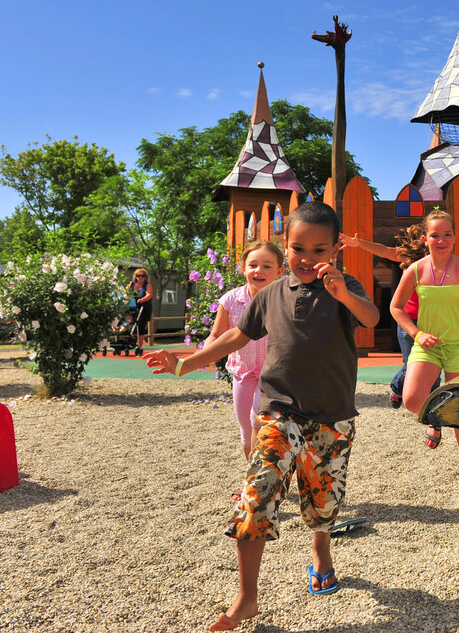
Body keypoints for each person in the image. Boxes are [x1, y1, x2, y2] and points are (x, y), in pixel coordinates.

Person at [144, 201, 380, 631]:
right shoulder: (270, 294)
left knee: (323, 504)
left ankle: (321, 547)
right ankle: (247, 597)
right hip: (278, 410)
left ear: (335, 251)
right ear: (285, 246)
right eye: (298, 248)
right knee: (256, 495)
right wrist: (184, 362)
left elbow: (371, 317)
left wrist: (343, 293)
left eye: (319, 249)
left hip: (332, 417)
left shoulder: (347, 287)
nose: (307, 259)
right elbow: (235, 335)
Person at [389, 208, 459, 479]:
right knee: (411, 400)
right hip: (428, 344)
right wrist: (417, 334)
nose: (441, 239)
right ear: (425, 239)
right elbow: (396, 307)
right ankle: (436, 418)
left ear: (455, 237)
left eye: (447, 234)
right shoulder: (415, 270)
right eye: (435, 235)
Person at [204, 241, 285, 462]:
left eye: (267, 266)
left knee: (257, 421)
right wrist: (203, 354)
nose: (259, 270)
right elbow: (217, 333)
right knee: (246, 432)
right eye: (253, 265)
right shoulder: (231, 300)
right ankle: (252, 481)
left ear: (280, 271)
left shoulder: (285, 298)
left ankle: (261, 484)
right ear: (244, 269)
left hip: (272, 375)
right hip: (242, 372)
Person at [340, 225, 434, 409]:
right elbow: (384, 250)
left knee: (431, 362)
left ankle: (431, 403)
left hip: (431, 318)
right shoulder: (410, 257)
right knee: (411, 363)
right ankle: (397, 386)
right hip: (407, 318)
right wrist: (359, 243)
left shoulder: (441, 262)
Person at [130, 268, 154, 349]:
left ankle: (139, 346)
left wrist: (142, 299)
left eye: (142, 276)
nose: (140, 277)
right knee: (130, 324)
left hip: (143, 307)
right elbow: (126, 293)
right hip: (132, 307)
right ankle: (131, 341)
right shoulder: (131, 284)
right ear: (135, 276)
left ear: (145, 277)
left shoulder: (147, 285)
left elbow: (149, 294)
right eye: (138, 275)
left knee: (140, 326)